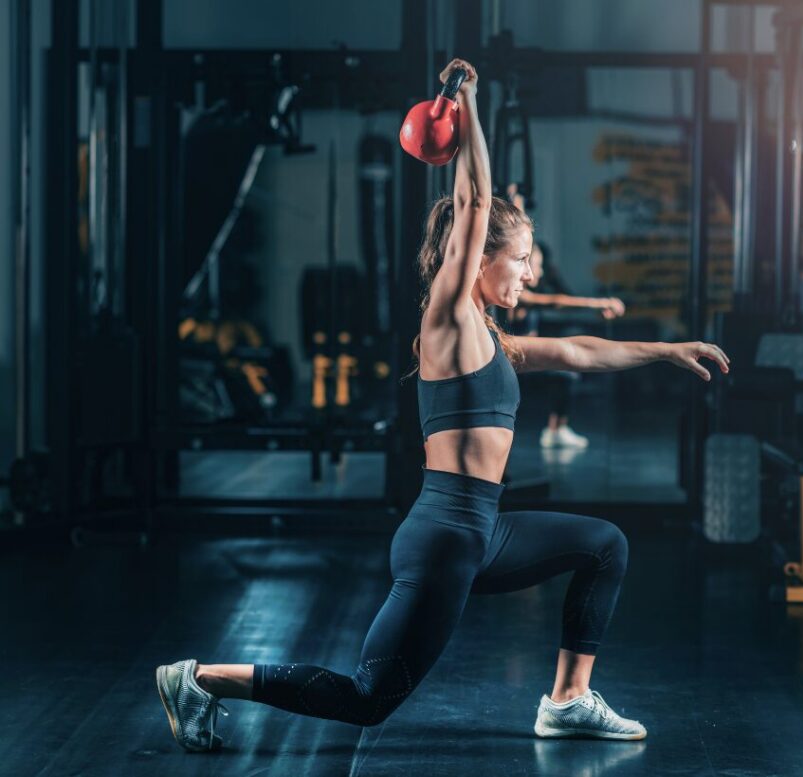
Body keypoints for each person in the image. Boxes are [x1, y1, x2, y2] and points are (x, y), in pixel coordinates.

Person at [155, 58, 729, 752]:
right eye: (520, 259)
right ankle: (199, 678)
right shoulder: (449, 320)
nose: (528, 272)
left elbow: (578, 351)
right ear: (478, 258)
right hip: (443, 539)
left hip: (482, 533)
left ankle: (568, 700)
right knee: (367, 700)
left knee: (605, 545)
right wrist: (469, 104)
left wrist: (667, 349)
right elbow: (476, 201)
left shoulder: (490, 337)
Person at [504, 214, 626, 449]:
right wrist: (599, 303)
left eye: (538, 265)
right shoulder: (517, 296)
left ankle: (556, 429)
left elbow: (560, 295)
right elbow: (555, 302)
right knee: (565, 374)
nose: (537, 272)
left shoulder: (529, 288)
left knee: (567, 368)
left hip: (528, 360)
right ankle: (555, 429)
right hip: (515, 366)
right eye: (533, 264)